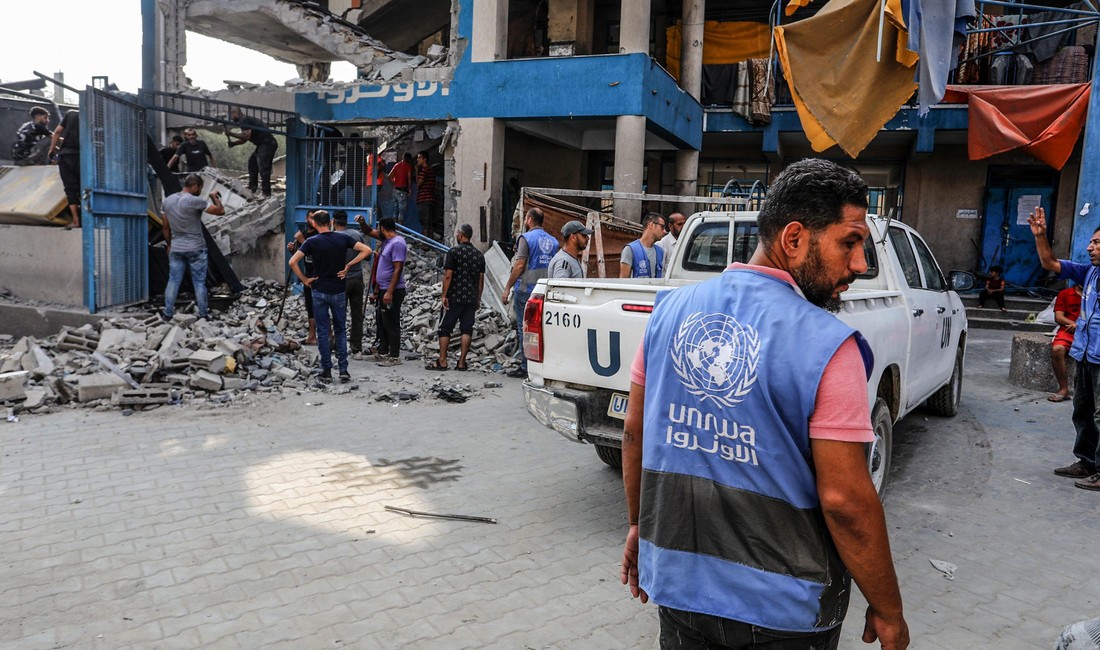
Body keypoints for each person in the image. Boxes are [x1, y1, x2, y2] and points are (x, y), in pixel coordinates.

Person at [621, 158, 909, 650]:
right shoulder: (829, 345)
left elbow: (634, 433)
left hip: (678, 591)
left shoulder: (668, 313)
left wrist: (638, 527)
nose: (860, 265)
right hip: (784, 614)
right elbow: (845, 501)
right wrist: (889, 610)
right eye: (850, 242)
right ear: (793, 239)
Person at [1030, 206, 1100, 491]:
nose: (1089, 247)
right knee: (1083, 409)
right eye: (1092, 241)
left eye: (1096, 243)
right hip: (1085, 352)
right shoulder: (1089, 272)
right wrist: (1040, 236)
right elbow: (1050, 263)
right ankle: (1086, 461)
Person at [288, 210, 372, 383]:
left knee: (324, 331)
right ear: (331, 222)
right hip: (338, 290)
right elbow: (367, 250)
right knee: (341, 331)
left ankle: (326, 370)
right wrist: (349, 265)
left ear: (314, 224)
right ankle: (343, 370)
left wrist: (304, 280)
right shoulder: (342, 239)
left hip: (319, 290)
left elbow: (292, 262)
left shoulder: (312, 242)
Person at [502, 207, 559, 378]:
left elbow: (519, 265)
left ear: (528, 220)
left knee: (524, 329)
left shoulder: (525, 238)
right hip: (545, 292)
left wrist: (507, 288)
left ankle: (526, 366)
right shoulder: (553, 241)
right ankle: (543, 364)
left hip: (526, 291)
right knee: (543, 329)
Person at [161, 174, 226, 320]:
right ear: (195, 186)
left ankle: (167, 314)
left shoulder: (167, 201)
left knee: (173, 281)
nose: (200, 191)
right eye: (200, 188)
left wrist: (170, 244)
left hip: (176, 248)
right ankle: (203, 314)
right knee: (199, 282)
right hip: (196, 248)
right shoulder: (195, 201)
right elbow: (220, 211)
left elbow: (165, 227)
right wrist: (213, 196)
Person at [429, 224, 485, 371]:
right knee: (466, 329)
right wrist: (478, 298)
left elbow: (448, 275)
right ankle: (461, 363)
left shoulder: (453, 252)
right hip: (471, 298)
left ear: (460, 234)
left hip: (455, 297)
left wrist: (444, 295)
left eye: (457, 234)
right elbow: (481, 280)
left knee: (445, 328)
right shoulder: (479, 255)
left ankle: (443, 361)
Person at [368, 218, 407, 366]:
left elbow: (398, 268)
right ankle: (383, 351)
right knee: (382, 321)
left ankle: (394, 356)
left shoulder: (397, 243)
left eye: (378, 229)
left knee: (391, 321)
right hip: (383, 288)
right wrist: (378, 291)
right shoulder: (387, 242)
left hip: (393, 290)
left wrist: (389, 292)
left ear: (382, 228)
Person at [333, 211, 369, 358]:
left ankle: (338, 347)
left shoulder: (333, 237)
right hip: (357, 277)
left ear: (333, 221)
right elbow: (367, 255)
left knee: (339, 314)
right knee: (356, 315)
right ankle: (357, 349)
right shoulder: (356, 235)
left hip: (341, 278)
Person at [226, 106, 278, 197]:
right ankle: (252, 188)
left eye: (231, 115)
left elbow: (246, 136)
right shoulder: (245, 120)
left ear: (235, 113)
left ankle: (266, 193)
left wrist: (231, 133)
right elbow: (244, 139)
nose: (231, 118)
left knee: (263, 168)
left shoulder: (244, 120)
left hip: (267, 143)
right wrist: (234, 143)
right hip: (262, 144)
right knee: (252, 163)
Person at [1050, 282, 1084, 403]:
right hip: (1068, 331)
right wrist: (1074, 324)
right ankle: (1064, 389)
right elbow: (1058, 317)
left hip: (1091, 332)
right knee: (1057, 350)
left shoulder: (1094, 294)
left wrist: (1080, 327)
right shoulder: (1065, 294)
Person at [48, 110, 81, 229]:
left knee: (70, 189)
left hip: (67, 156)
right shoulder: (94, 114)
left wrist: (51, 149)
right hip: (84, 156)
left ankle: (76, 220)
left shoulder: (71, 114)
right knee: (85, 187)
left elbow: (57, 131)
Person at [620, 213, 667, 278]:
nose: (665, 231)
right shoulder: (630, 249)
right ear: (651, 225)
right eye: (662, 227)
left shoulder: (660, 251)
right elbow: (623, 280)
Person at [389, 152, 414, 222]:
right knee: (401, 211)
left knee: (395, 208)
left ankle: (393, 227)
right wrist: (410, 189)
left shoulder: (396, 165)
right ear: (408, 159)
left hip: (395, 190)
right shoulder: (408, 166)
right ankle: (400, 229)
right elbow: (409, 178)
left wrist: (395, 183)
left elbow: (389, 176)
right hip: (402, 191)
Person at [416, 152, 437, 236]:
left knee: (424, 222)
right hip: (430, 198)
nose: (417, 159)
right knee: (429, 222)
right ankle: (430, 242)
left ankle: (425, 243)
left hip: (424, 198)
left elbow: (419, 183)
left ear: (425, 159)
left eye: (419, 158)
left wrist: (416, 170)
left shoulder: (424, 170)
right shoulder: (431, 170)